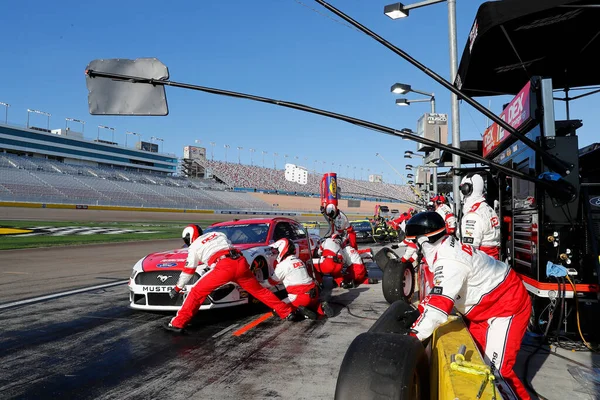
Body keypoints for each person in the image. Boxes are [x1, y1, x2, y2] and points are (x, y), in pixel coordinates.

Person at [404, 212, 531, 400]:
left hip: (506, 308)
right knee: (475, 364)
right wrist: (418, 313)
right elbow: (438, 293)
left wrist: (413, 336)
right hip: (485, 310)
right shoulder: (445, 247)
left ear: (423, 241)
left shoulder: (449, 261)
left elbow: (440, 306)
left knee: (497, 373)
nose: (414, 249)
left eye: (414, 244)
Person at [164, 224, 304, 333]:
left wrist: (177, 288)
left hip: (223, 266)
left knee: (196, 292)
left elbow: (189, 270)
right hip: (240, 262)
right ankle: (287, 312)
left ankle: (177, 323)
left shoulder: (194, 247)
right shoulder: (217, 234)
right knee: (260, 292)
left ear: (189, 237)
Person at [261, 238, 334, 318]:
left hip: (300, 296)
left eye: (276, 251)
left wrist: (258, 283)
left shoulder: (283, 265)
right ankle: (321, 308)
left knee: (277, 309)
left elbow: (271, 282)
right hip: (314, 293)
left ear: (282, 249)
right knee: (312, 304)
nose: (275, 253)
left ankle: (300, 312)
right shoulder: (299, 260)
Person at [459, 173, 501, 259]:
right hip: (492, 261)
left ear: (466, 189)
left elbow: (469, 251)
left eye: (461, 188)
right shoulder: (487, 208)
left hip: (481, 262)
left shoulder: (473, 215)